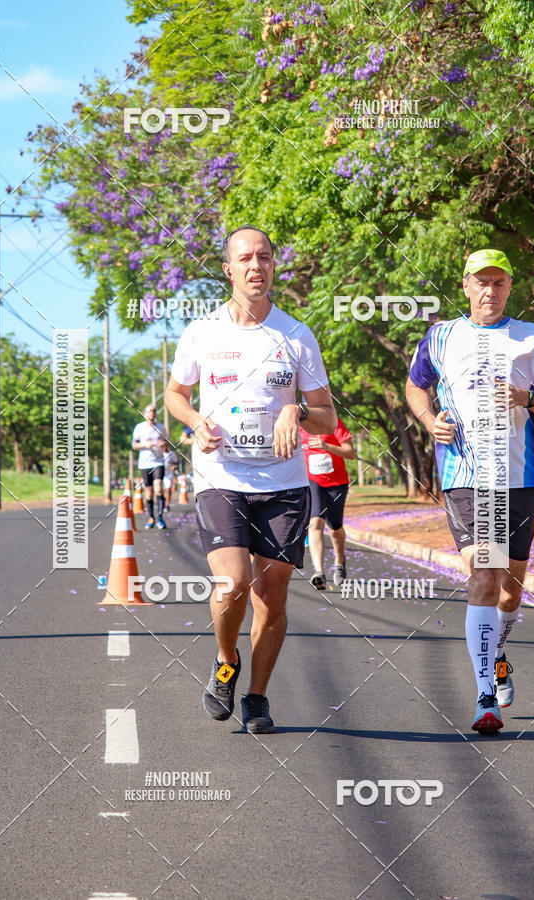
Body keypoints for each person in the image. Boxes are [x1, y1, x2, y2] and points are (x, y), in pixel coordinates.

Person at [165, 224, 336, 733]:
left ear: (273, 265)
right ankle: (226, 661)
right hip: (221, 475)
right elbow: (175, 394)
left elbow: (327, 414)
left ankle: (257, 697)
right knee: (233, 583)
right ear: (228, 269)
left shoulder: (296, 335)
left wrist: (297, 412)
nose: (255, 265)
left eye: (263, 257)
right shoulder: (202, 332)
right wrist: (195, 422)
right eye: (245, 258)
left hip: (284, 483)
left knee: (271, 596)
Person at [405, 248, 534, 734]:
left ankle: (498, 651)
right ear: (466, 286)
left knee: (510, 587)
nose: (489, 291)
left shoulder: (532, 338)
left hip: (517, 477)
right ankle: (484, 699)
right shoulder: (442, 336)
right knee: (483, 574)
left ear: (509, 287)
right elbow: (415, 387)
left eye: (498, 282)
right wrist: (428, 419)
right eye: (481, 282)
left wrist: (527, 398)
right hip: (466, 476)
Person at [300, 417, 355, 590]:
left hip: (336, 483)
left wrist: (326, 446)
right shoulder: (299, 425)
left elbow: (350, 453)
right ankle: (319, 571)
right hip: (312, 480)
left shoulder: (333, 423)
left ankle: (340, 561)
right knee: (315, 522)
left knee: (335, 528)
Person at [131, 404, 169, 530]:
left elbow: (167, 443)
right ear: (145, 414)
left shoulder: (161, 427)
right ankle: (151, 517)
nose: (152, 413)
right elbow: (134, 445)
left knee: (158, 488)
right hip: (145, 463)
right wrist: (146, 445)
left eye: (154, 411)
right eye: (149, 411)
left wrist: (163, 444)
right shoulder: (139, 427)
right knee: (149, 491)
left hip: (158, 462)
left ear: (156, 413)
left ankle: (160, 517)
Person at [159, 438, 179, 512]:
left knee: (168, 489)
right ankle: (162, 502)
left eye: (166, 445)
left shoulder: (171, 454)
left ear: (168, 445)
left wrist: (174, 466)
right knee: (159, 490)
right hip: (159, 473)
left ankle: (167, 505)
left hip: (168, 474)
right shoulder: (159, 453)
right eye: (163, 445)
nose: (164, 447)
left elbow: (176, 462)